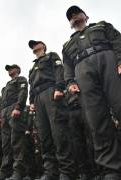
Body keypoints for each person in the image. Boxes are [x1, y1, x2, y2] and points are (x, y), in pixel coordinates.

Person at [63, 5, 121, 179]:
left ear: (86, 16)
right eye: (71, 16)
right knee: (97, 121)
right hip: (83, 73)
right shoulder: (67, 45)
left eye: (77, 13)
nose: (75, 16)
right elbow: (67, 67)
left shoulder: (102, 26)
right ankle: (112, 170)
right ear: (70, 23)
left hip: (110, 64)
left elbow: (119, 41)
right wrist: (70, 83)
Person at [28, 40, 76, 180]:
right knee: (44, 136)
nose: (35, 47)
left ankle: (67, 172)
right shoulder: (32, 68)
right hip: (38, 98)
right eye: (33, 47)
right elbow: (31, 86)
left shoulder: (51, 56)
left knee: (59, 132)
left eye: (37, 45)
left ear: (43, 46)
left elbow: (59, 71)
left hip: (51, 92)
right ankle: (51, 172)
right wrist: (31, 101)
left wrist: (59, 87)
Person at [0, 64, 28, 180]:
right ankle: (5, 171)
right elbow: (2, 103)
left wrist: (18, 107)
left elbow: (23, 93)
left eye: (11, 68)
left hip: (14, 109)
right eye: (8, 69)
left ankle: (18, 172)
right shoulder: (7, 85)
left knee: (17, 141)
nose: (9, 71)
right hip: (4, 113)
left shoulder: (21, 79)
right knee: (6, 144)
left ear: (17, 70)